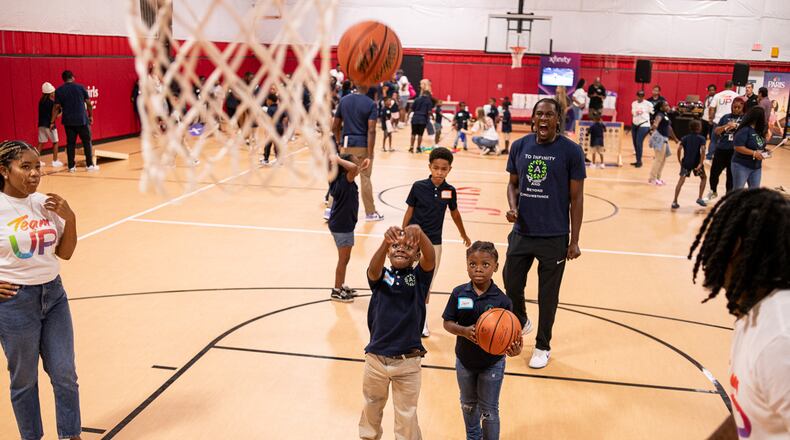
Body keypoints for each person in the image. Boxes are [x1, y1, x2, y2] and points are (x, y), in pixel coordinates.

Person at [689, 188, 789, 440]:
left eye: (718, 235)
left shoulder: (781, 340)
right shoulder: (755, 312)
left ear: (734, 246)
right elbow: (748, 417)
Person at [0, 140, 82, 440]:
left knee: (65, 375)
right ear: (4, 171)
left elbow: (66, 253)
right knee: (24, 380)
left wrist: (70, 218)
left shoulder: (43, 203)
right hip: (15, 302)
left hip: (54, 296)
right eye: (25, 167)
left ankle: (71, 435)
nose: (35, 173)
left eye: (38, 166)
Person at [504, 98, 586, 369]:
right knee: (510, 281)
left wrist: (574, 240)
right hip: (523, 231)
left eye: (549, 115)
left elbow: (577, 198)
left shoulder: (571, 152)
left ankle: (542, 345)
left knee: (547, 295)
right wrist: (513, 208)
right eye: (539, 114)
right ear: (532, 118)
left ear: (558, 119)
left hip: (554, 235)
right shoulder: (520, 146)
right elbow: (512, 185)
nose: (543, 119)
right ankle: (522, 318)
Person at [359, 224, 435, 440]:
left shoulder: (418, 278)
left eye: (408, 247)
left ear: (416, 255)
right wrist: (385, 241)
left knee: (406, 416)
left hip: (407, 364)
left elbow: (430, 259)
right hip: (375, 359)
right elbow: (373, 269)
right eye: (395, 246)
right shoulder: (381, 277)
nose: (400, 249)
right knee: (370, 410)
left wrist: (420, 233)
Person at [442, 241, 523, 440]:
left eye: (485, 264)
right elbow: (447, 323)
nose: (478, 269)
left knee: (489, 410)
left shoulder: (502, 301)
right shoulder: (459, 293)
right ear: (466, 265)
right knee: (468, 404)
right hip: (465, 362)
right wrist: (463, 331)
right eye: (473, 264)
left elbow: (512, 338)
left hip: (491, 364)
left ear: (496, 266)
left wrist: (515, 350)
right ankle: (473, 437)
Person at [402, 147, 471, 337]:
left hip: (434, 244)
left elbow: (455, 214)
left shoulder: (449, 191)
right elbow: (409, 211)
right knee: (408, 278)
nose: (439, 172)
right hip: (412, 241)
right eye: (436, 168)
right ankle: (406, 317)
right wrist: (403, 234)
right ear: (430, 167)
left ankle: (421, 322)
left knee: (427, 283)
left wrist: (463, 234)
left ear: (450, 169)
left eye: (444, 168)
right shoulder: (418, 186)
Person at [333, 84, 384, 221]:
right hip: (362, 145)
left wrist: (338, 143)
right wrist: (370, 153)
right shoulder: (371, 103)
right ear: (367, 87)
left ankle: (331, 209)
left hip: (346, 144)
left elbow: (335, 126)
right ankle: (370, 213)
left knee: (341, 178)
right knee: (365, 178)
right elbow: (371, 130)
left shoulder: (344, 100)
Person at [328, 153, 369, 303]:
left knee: (345, 258)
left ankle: (341, 285)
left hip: (342, 224)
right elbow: (352, 169)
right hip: (342, 225)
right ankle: (336, 291)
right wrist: (338, 159)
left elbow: (353, 169)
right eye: (355, 164)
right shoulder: (346, 180)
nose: (357, 166)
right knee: (343, 259)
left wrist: (361, 167)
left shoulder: (342, 179)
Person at [51, 70, 98, 173]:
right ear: (73, 77)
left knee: (70, 144)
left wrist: (52, 121)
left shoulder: (59, 91)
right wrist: (91, 116)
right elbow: (89, 103)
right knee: (86, 142)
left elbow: (56, 107)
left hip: (68, 121)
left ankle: (71, 167)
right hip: (82, 120)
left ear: (63, 79)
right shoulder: (81, 88)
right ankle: (89, 165)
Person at [706, 97, 744, 201]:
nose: (736, 109)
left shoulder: (745, 119)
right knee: (714, 173)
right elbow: (716, 131)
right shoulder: (725, 117)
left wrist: (738, 127)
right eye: (734, 107)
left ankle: (728, 196)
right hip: (721, 149)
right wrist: (726, 126)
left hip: (735, 152)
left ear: (742, 108)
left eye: (738, 107)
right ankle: (713, 191)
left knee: (730, 176)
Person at [671, 119, 707, 209]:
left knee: (681, 181)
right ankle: (700, 198)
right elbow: (703, 151)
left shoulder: (685, 138)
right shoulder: (702, 138)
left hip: (686, 163)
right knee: (703, 178)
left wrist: (679, 160)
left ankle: (675, 201)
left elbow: (679, 149)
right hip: (696, 164)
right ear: (699, 128)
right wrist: (700, 164)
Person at [731, 106, 768, 189]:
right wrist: (754, 153)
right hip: (741, 165)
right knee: (738, 191)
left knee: (755, 192)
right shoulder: (744, 130)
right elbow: (737, 147)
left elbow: (760, 144)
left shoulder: (760, 130)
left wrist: (765, 151)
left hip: (756, 167)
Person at [648, 100, 679, 186]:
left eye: (668, 105)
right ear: (661, 108)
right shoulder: (660, 114)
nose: (668, 107)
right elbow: (656, 122)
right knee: (658, 159)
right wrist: (654, 126)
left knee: (663, 159)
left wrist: (675, 138)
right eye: (665, 106)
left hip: (665, 138)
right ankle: (652, 179)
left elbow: (669, 128)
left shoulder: (665, 115)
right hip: (659, 138)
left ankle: (658, 178)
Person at [708, 80, 739, 161]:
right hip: (731, 121)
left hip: (718, 120)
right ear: (732, 86)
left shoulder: (718, 95)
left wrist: (711, 118)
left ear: (724, 86)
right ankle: (729, 157)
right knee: (730, 140)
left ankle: (709, 156)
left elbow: (711, 108)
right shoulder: (736, 96)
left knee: (714, 140)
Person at [37, 82, 63, 168]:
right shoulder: (52, 103)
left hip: (41, 125)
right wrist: (62, 111)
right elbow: (55, 116)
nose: (54, 93)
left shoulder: (41, 102)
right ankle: (55, 161)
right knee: (55, 142)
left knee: (41, 142)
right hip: (50, 125)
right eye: (53, 92)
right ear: (50, 93)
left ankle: (36, 161)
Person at [261, 94, 287, 166]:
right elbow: (285, 118)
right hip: (280, 128)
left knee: (269, 144)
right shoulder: (280, 107)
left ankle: (270, 160)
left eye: (267, 100)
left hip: (273, 128)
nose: (266, 101)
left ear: (270, 101)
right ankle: (269, 159)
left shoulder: (270, 109)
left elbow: (269, 120)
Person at [630, 90, 654, 168]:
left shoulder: (648, 104)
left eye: (642, 96)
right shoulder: (634, 103)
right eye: (639, 96)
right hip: (635, 124)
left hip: (644, 124)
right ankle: (637, 160)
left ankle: (639, 161)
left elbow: (653, 112)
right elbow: (633, 112)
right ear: (637, 96)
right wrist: (637, 112)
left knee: (638, 142)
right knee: (634, 143)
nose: (640, 97)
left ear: (643, 96)